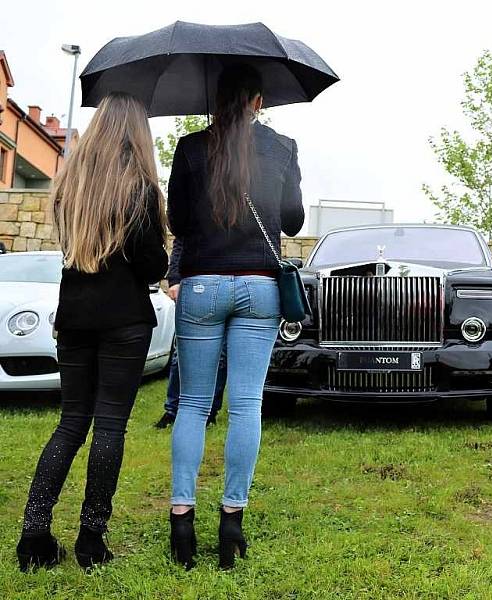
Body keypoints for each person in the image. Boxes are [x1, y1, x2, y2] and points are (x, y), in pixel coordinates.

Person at [16, 93, 168, 571]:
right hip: (124, 320)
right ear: (136, 133)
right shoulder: (141, 189)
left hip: (74, 318)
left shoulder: (69, 185)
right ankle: (91, 539)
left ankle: (33, 534)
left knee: (69, 424)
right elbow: (152, 267)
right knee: (109, 427)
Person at [167, 64, 304, 570]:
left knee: (194, 405)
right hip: (260, 286)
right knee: (246, 405)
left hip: (201, 283)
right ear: (258, 102)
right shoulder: (282, 147)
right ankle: (231, 525)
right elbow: (293, 220)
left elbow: (177, 222)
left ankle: (182, 523)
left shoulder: (190, 147)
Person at [154, 238, 227, 429]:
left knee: (219, 356)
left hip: (222, 285)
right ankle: (173, 409)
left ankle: (210, 411)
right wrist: (175, 280)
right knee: (182, 352)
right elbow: (180, 241)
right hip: (194, 285)